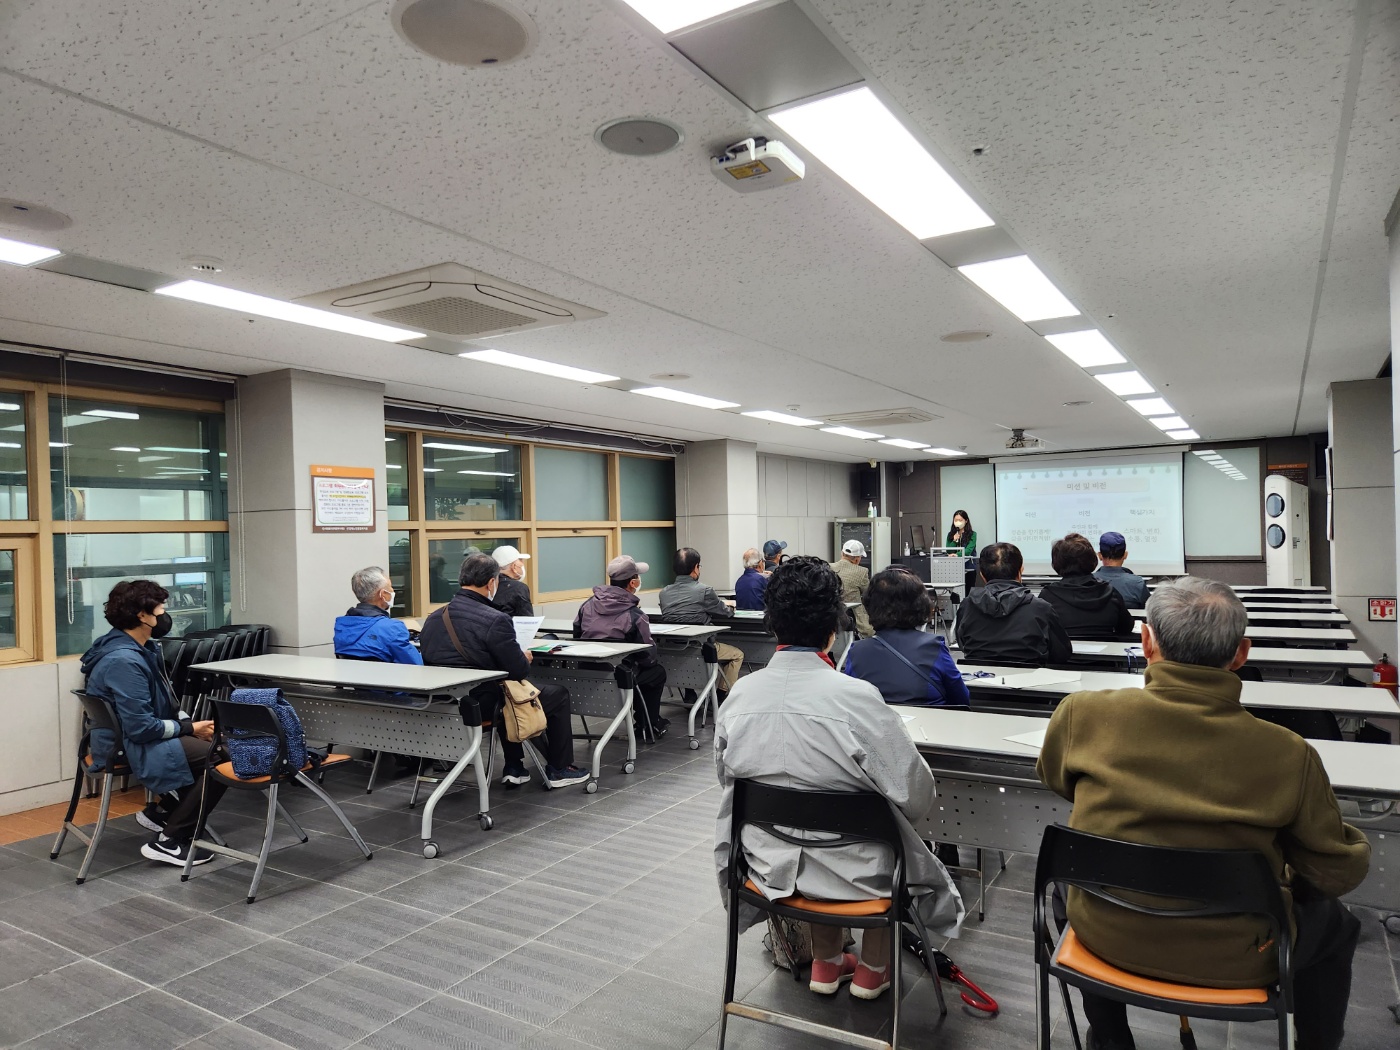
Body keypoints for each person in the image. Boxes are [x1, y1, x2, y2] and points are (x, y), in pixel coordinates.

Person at [1037, 578, 1369, 1050]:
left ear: (1146, 642)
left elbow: (1057, 780)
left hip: (1105, 935)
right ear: (1241, 653)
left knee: (1069, 889)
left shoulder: (1081, 714)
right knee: (1338, 925)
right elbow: (1335, 872)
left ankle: (1109, 1039)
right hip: (1241, 956)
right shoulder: (1289, 753)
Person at [714, 557, 964, 1001]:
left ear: (771, 625)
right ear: (834, 627)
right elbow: (915, 795)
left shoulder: (739, 698)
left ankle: (826, 964)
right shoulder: (857, 700)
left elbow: (726, 779)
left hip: (768, 866)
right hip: (859, 876)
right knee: (875, 840)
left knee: (809, 836)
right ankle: (873, 971)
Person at [81, 580, 222, 867]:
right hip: (125, 745)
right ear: (142, 615)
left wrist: (192, 726)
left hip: (131, 737)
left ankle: (164, 813)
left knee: (218, 748)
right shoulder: (124, 661)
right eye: (161, 609)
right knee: (221, 759)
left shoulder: (138, 648)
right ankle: (171, 840)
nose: (165, 616)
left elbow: (165, 704)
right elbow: (141, 728)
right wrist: (190, 729)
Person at [419, 553, 588, 789]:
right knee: (552, 694)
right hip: (481, 704)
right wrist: (523, 657)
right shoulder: (494, 619)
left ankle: (515, 767)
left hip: (441, 702)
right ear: (491, 583)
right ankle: (559, 768)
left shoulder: (434, 617)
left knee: (505, 692)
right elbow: (518, 671)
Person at [574, 554, 669, 739]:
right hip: (620, 678)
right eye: (638, 577)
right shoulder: (635, 615)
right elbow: (648, 657)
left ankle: (647, 722)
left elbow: (576, 637)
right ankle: (648, 725)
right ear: (633, 583)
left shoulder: (586, 606)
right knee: (656, 672)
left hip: (586, 675)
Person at [843, 568, 969, 707]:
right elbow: (961, 698)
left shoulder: (857, 651)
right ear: (921, 605)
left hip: (876, 719)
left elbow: (851, 699)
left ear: (869, 606)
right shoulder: (933, 646)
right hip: (928, 719)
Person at [952, 542, 1071, 666]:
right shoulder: (1041, 608)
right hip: (1030, 677)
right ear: (1020, 571)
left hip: (979, 676)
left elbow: (962, 644)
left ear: (982, 575)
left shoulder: (967, 605)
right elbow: (1061, 653)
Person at [658, 547, 745, 698]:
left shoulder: (664, 592)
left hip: (673, 649)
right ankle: (720, 696)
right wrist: (730, 607)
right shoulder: (705, 591)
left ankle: (690, 693)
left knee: (685, 649)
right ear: (696, 567)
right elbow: (726, 613)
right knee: (737, 655)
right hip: (702, 648)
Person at [1039, 533, 1136, 640]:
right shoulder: (1110, 593)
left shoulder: (1047, 596)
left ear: (1057, 563)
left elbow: (1039, 630)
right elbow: (1126, 627)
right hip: (1105, 650)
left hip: (1063, 650)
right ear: (1092, 559)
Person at [333, 566, 423, 664]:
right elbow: (416, 664)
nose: (393, 591)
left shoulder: (342, 626)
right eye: (390, 587)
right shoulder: (392, 628)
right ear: (383, 594)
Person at [1093, 530, 1150, 610]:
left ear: (1099, 556)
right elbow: (1149, 610)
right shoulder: (1137, 584)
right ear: (1125, 555)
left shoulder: (1088, 583)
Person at [830, 539, 873, 639]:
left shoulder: (828, 567)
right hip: (855, 621)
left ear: (842, 553)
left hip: (831, 617)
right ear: (857, 559)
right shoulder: (861, 571)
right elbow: (869, 594)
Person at [490, 545, 534, 618]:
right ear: (514, 567)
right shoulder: (519, 588)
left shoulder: (488, 584)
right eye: (520, 560)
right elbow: (527, 620)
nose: (522, 564)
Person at [946, 510, 978, 595]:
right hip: (954, 568)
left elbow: (968, 551)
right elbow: (948, 550)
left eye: (960, 520)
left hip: (969, 568)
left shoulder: (972, 534)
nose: (958, 522)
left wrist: (957, 555)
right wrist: (954, 540)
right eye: (956, 520)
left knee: (968, 593)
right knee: (955, 594)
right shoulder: (950, 534)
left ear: (966, 521)